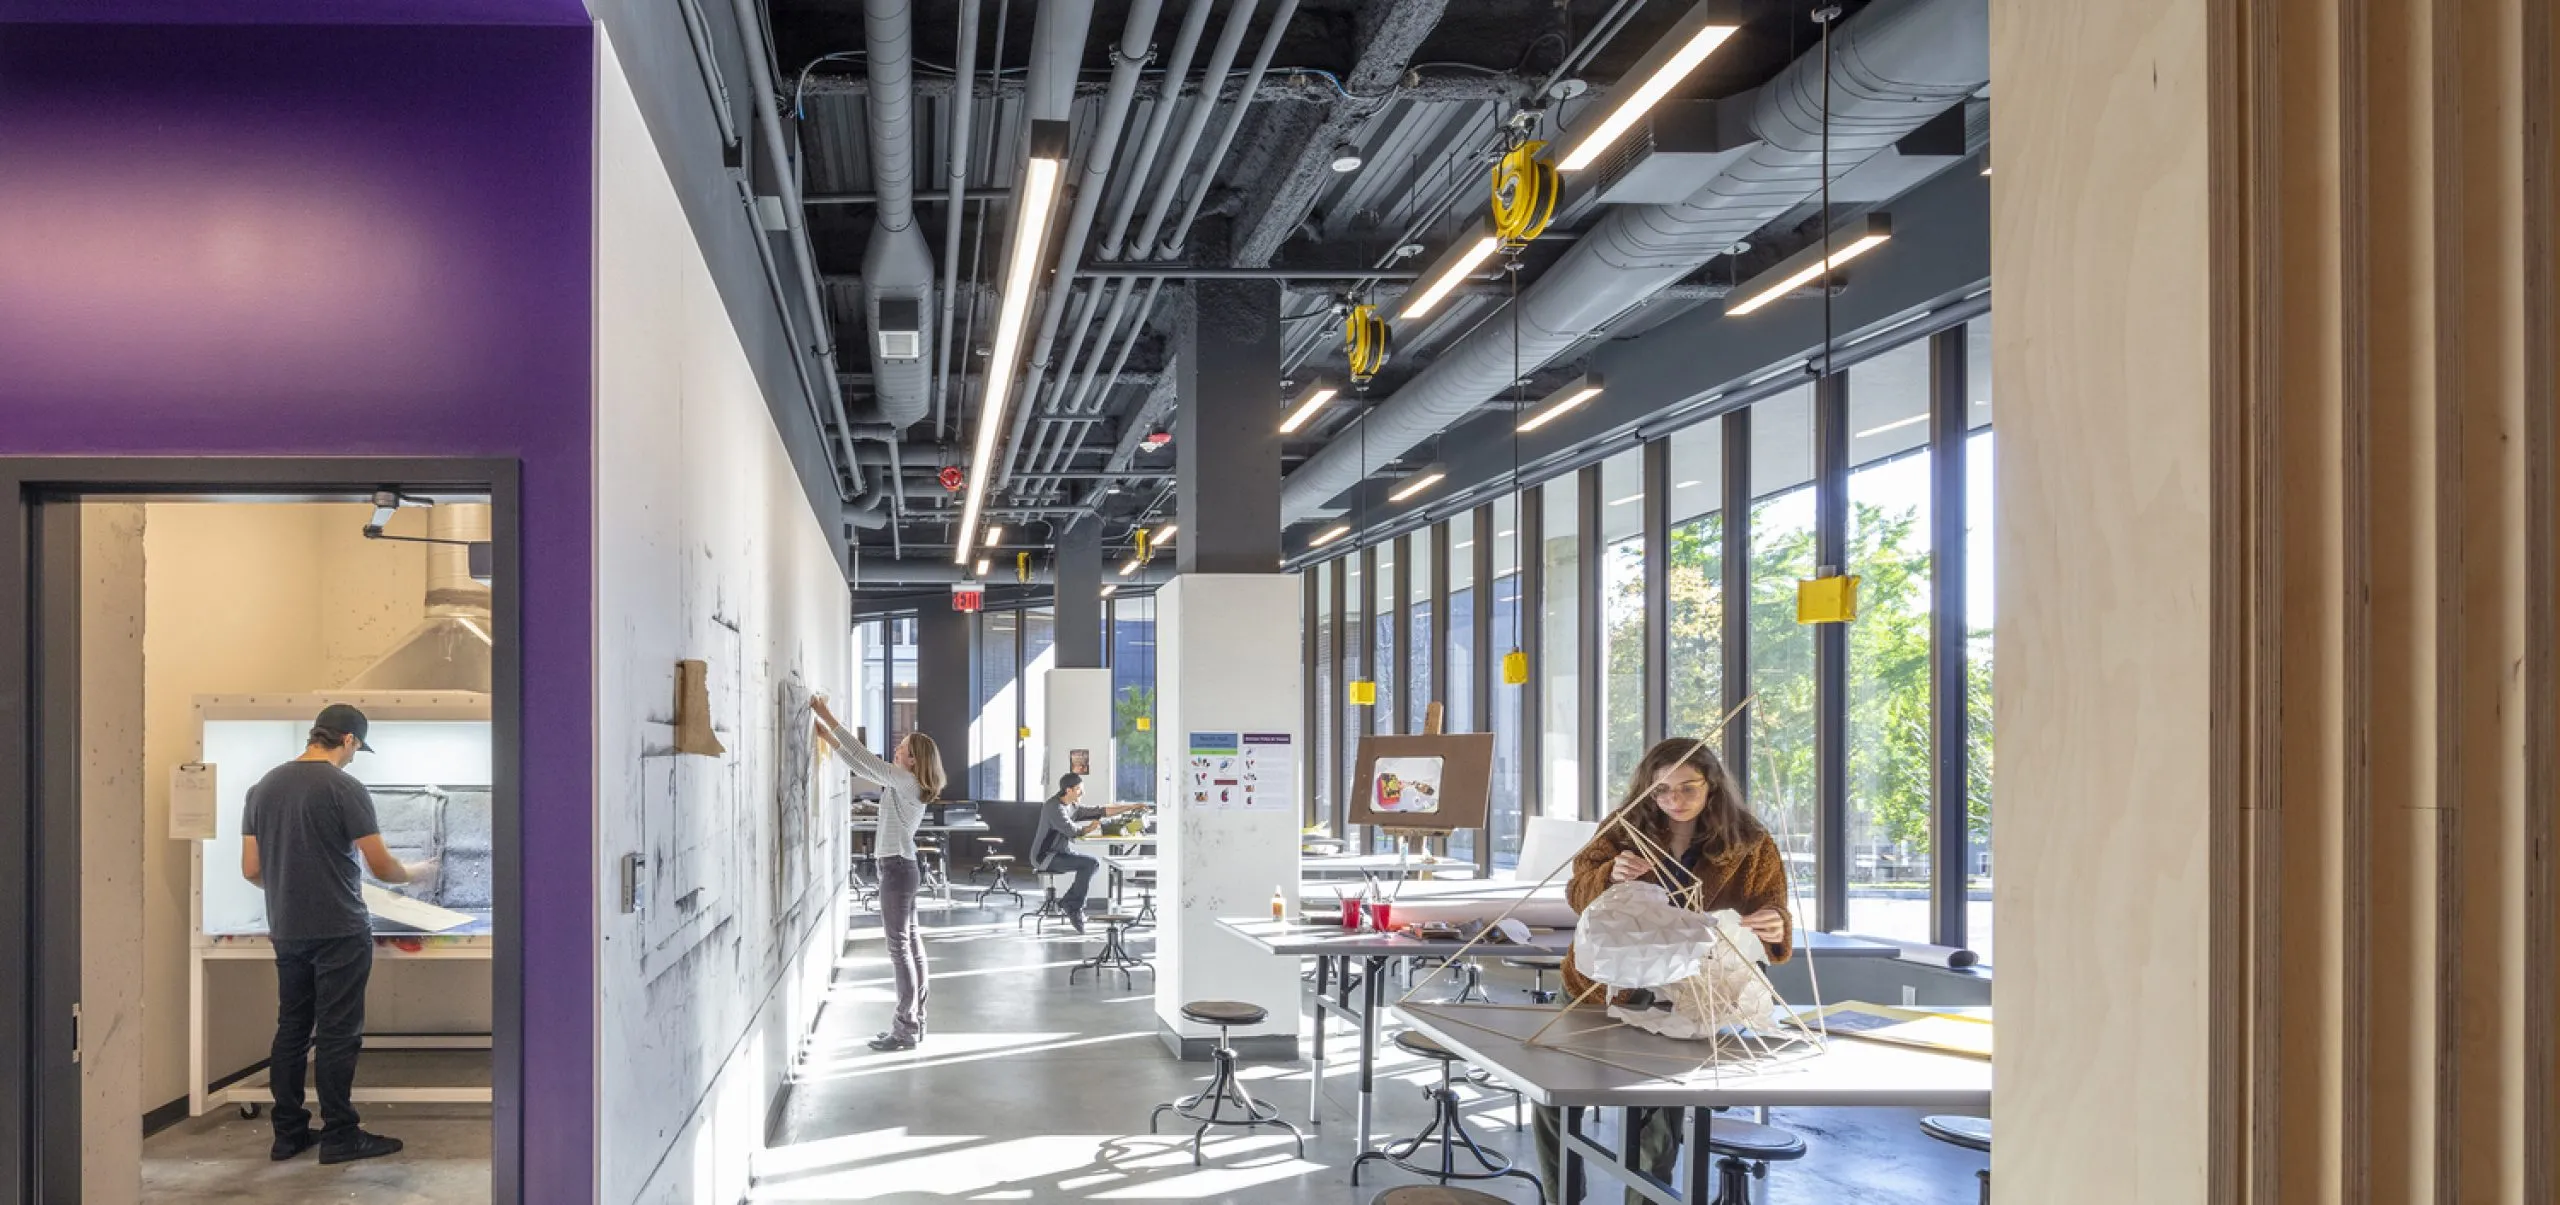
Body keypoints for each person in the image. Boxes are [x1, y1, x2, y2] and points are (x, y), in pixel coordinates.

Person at [1531, 737, 1794, 1204]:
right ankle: (1561, 1198)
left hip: (1683, 999)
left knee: (1658, 1130)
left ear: (1712, 786)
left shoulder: (1750, 842)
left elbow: (1769, 915)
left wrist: (1774, 927)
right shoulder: (1622, 828)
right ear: (1646, 790)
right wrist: (1609, 873)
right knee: (1554, 1097)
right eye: (1661, 791)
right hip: (1599, 987)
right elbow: (1577, 894)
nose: (1674, 801)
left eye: (1687, 789)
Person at [239, 703, 431, 1165]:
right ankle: (341, 1135)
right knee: (338, 1034)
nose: (354, 757)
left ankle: (287, 1135)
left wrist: (293, 880)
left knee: (292, 1030)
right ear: (348, 740)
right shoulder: (345, 788)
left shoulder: (262, 788)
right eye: (357, 748)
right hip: (340, 930)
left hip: (287, 929)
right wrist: (417, 872)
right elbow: (381, 865)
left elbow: (251, 870)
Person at [835, 725, 944, 1052]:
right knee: (910, 946)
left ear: (913, 760)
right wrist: (830, 740)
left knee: (900, 951)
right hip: (902, 867)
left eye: (902, 747)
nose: (896, 749)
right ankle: (915, 1021)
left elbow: (866, 760)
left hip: (896, 869)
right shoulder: (908, 782)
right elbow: (865, 766)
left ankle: (905, 1028)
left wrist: (827, 720)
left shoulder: (905, 780)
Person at [1029, 772, 1143, 933]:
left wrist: (1131, 807)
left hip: (1061, 853)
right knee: (1089, 864)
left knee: (1092, 864)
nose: (1082, 793)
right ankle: (1073, 907)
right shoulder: (1053, 807)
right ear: (1068, 790)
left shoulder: (1072, 806)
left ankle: (1069, 903)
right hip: (1045, 857)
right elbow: (1071, 830)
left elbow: (1101, 811)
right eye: (1079, 789)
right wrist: (1088, 829)